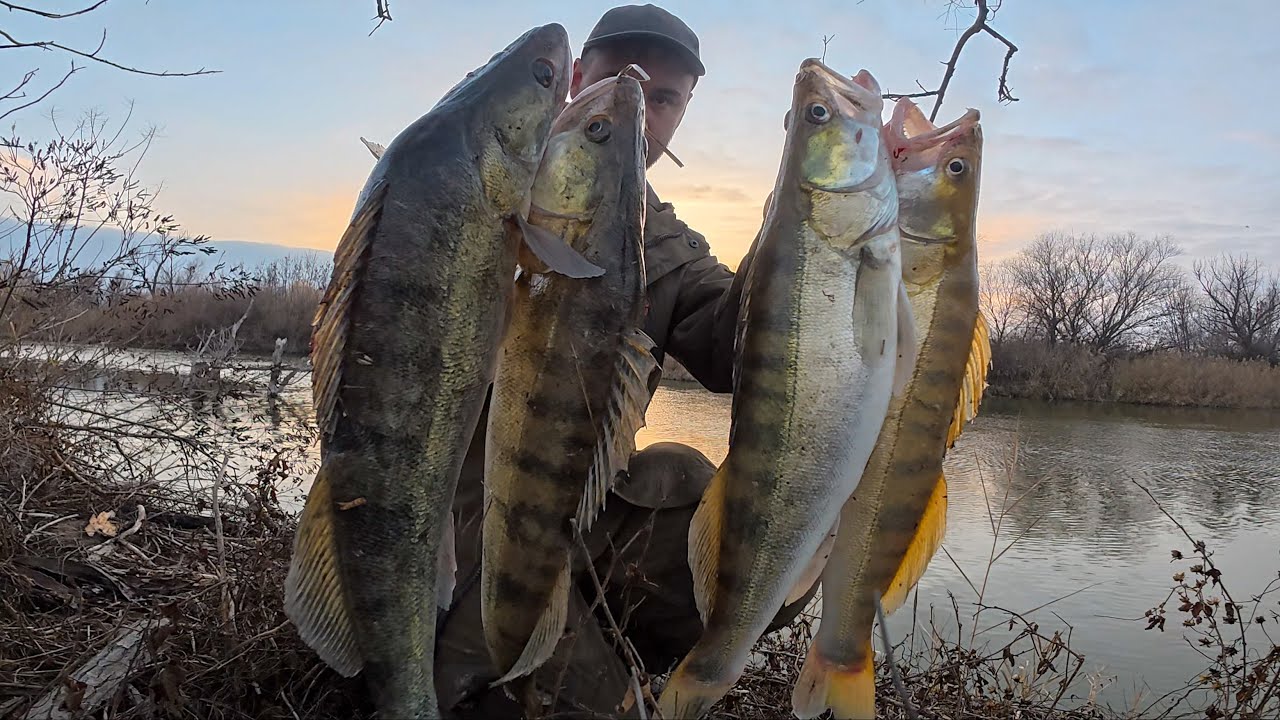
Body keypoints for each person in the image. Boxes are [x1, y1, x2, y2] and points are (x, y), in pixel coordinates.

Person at [435, 5, 817, 717]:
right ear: (578, 77)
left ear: (681, 115)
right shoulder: (486, 175)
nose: (642, 98)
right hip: (457, 517)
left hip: (575, 519)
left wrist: (801, 224)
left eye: (666, 95)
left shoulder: (668, 245)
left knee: (731, 510)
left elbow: (738, 353)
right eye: (621, 74)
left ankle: (605, 629)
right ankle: (508, 646)